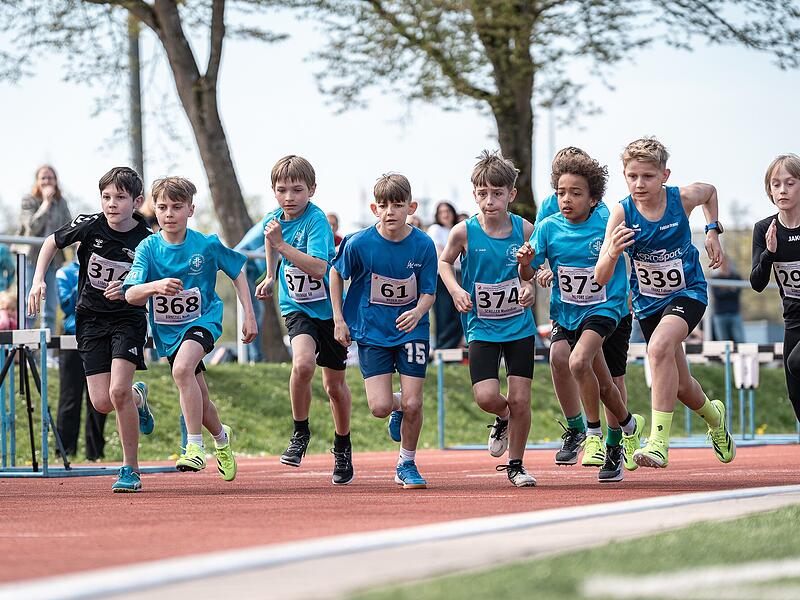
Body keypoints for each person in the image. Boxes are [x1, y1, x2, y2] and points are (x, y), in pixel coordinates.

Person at [595, 137, 735, 469]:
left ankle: (658, 442)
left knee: (657, 348)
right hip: (648, 305)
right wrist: (613, 251)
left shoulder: (681, 199)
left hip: (688, 293)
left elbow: (710, 191)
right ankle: (714, 417)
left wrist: (712, 230)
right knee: (683, 385)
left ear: (665, 175)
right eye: (632, 176)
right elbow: (600, 276)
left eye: (648, 176)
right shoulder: (621, 212)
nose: (639, 184)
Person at [518, 150, 644, 482]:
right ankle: (622, 425)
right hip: (567, 310)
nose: (566, 199)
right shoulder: (548, 221)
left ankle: (602, 440)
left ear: (592, 198)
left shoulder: (609, 219)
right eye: (561, 192)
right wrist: (531, 265)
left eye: (575, 193)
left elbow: (641, 252)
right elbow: (530, 267)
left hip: (608, 307)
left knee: (594, 370)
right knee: (567, 361)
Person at [27, 166, 155, 492]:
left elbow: (160, 278)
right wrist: (38, 280)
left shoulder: (147, 240)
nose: (112, 204)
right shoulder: (89, 225)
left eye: (120, 198)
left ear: (137, 201)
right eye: (106, 197)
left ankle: (130, 469)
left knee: (118, 391)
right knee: (101, 401)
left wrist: (132, 288)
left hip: (127, 319)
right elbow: (50, 243)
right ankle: (139, 398)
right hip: (91, 320)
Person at [124, 177, 257, 482]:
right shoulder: (148, 248)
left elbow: (237, 272)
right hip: (169, 332)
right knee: (201, 398)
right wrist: (155, 286)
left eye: (176, 207)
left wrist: (249, 314)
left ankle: (193, 447)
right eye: (162, 207)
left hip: (203, 320)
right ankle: (222, 439)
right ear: (153, 210)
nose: (169, 213)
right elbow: (130, 294)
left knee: (182, 370)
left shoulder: (206, 244)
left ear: (190, 210)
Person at [330, 173, 437, 489]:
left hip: (411, 331)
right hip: (371, 330)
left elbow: (429, 291)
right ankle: (399, 406)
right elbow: (337, 275)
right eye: (385, 205)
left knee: (415, 403)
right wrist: (339, 319)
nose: (391, 211)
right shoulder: (359, 243)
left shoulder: (423, 245)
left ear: (411, 207)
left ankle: (407, 463)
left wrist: (417, 311)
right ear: (375, 208)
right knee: (379, 407)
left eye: (398, 205)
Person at [439, 150, 537, 487]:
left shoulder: (525, 229)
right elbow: (443, 263)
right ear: (474, 194)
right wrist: (454, 290)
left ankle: (516, 464)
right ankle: (503, 416)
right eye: (483, 193)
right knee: (486, 397)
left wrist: (529, 288)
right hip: (481, 325)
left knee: (522, 397)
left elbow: (533, 270)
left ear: (511, 194)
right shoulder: (463, 232)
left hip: (519, 326)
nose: (490, 200)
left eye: (497, 193)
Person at [254, 155, 354, 485]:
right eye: (282, 190)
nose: (289, 197)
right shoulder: (273, 218)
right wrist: (270, 276)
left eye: (297, 190)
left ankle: (342, 444)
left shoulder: (316, 222)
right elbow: (271, 241)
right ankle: (300, 432)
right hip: (296, 306)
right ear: (273, 191)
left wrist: (282, 244)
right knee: (302, 364)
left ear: (311, 190)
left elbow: (318, 268)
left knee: (334, 387)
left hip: (330, 311)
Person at [750, 153, 800, 422]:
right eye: (776, 183)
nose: (782, 190)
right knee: (794, 392)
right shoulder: (763, 229)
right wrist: (769, 253)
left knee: (796, 362)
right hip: (792, 318)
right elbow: (757, 284)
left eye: (790, 183)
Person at [55, 256, 107, 461]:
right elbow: (67, 305)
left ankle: (95, 453)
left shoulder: (108, 266)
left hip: (100, 336)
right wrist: (87, 279)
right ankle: (65, 451)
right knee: (70, 397)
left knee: (99, 398)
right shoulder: (65, 273)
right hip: (72, 339)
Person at [19, 165, 72, 331]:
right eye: (43, 178)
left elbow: (68, 227)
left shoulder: (61, 202)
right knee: (29, 302)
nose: (47, 181)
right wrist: (46, 204)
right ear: (37, 181)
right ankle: (26, 344)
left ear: (56, 181)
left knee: (50, 305)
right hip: (30, 258)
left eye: (50, 178)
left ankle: (47, 351)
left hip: (53, 259)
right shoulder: (29, 200)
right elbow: (31, 227)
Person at [428, 201, 464, 349]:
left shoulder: (458, 229)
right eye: (441, 212)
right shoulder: (436, 229)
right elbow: (439, 253)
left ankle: (455, 344)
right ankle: (443, 346)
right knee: (444, 311)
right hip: (442, 276)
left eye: (448, 211)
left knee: (459, 311)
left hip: (460, 274)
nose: (445, 214)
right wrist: (454, 257)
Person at [234, 221, 268, 363]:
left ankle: (254, 356)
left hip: (251, 269)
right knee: (254, 312)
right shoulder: (276, 219)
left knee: (257, 311)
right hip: (243, 265)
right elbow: (268, 250)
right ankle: (254, 357)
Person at [711, 255, 745, 342]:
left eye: (726, 263)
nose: (725, 265)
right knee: (722, 343)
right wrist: (730, 289)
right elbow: (717, 294)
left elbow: (736, 293)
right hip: (720, 314)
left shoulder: (736, 277)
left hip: (734, 313)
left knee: (740, 340)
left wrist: (723, 288)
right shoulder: (715, 278)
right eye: (722, 263)